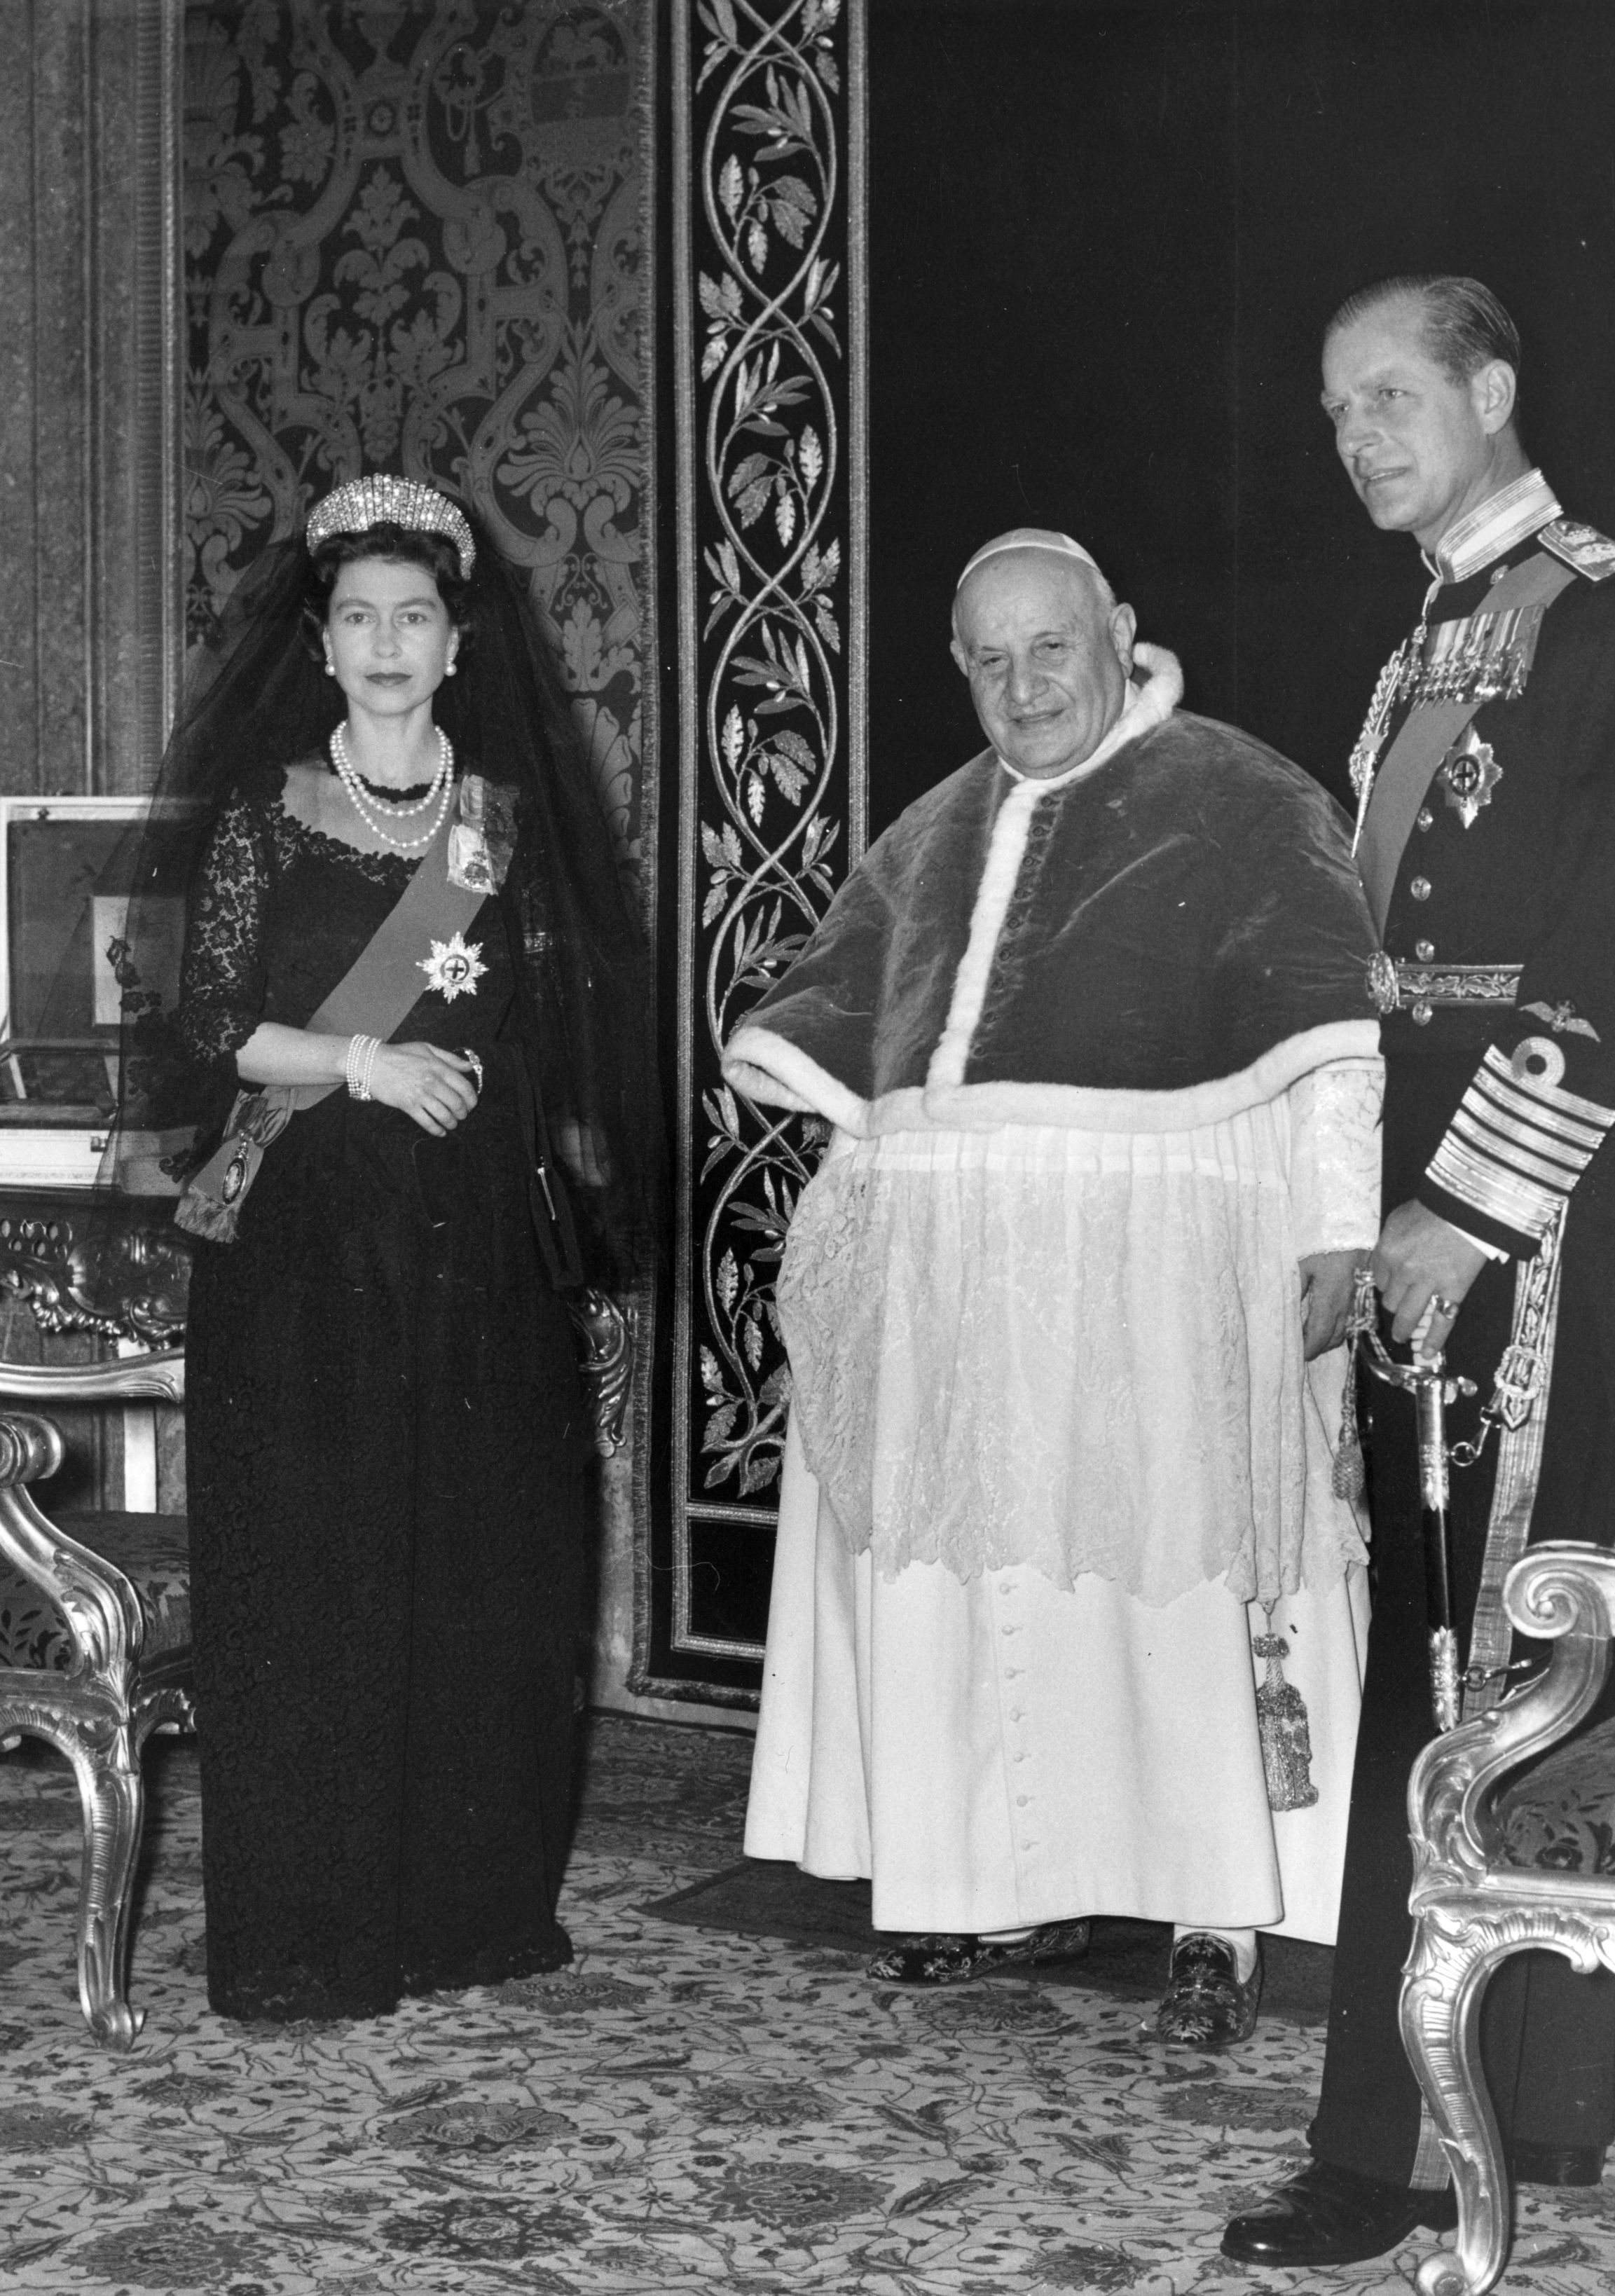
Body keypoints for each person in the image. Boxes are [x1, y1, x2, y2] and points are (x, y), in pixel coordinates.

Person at [727, 530, 1382, 2047]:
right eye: (988, 660)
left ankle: (1217, 1909)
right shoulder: (935, 826)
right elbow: (860, 1060)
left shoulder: (1241, 794)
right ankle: (995, 1880)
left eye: (1050, 649)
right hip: (960, 1296)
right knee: (982, 1586)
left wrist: (1337, 1239)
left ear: (1119, 631)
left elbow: (1334, 1049)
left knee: (1168, 1583)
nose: (1022, 686)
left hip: (1162, 1279)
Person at [1224, 277, 1615, 2267]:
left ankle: (1449, 2138)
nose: (1357, 433)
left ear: (1493, 392)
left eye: (1393, 394)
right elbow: (1376, 961)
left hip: (1566, 1214)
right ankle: (1432, 2113)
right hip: (1428, 1198)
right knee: (1433, 1659)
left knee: (1514, 1668)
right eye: (1336, 405)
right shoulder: (1425, 634)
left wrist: (1465, 1205)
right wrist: (1354, 1206)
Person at [118, 476, 657, 2023]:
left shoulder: (501, 825)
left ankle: (460, 1914)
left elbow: (554, 1016)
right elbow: (211, 1026)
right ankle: (311, 1933)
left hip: (471, 1237)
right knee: (317, 1571)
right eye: (357, 615)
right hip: (306, 1242)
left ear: (456, 640)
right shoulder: (261, 816)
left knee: (472, 1564)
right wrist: (363, 1066)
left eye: (412, 615)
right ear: (321, 637)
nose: (386, 642)